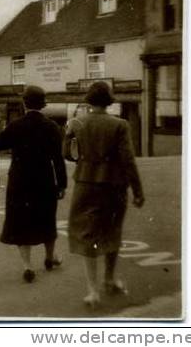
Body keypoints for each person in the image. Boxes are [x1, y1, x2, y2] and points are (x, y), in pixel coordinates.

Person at [64, 81, 145, 308]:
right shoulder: (120, 125)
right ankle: (109, 279)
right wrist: (137, 191)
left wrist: (70, 135)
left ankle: (92, 290)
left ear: (89, 100)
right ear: (109, 101)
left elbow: (67, 155)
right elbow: (128, 160)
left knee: (87, 234)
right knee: (112, 231)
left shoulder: (77, 123)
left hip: (85, 184)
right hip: (113, 185)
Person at [0, 85, 67, 284]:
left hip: (20, 181)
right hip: (44, 180)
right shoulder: (52, 127)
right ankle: (50, 258)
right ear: (43, 104)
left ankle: (27, 266)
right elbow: (58, 159)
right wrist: (62, 184)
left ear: (24, 103)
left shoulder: (15, 125)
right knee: (46, 219)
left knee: (21, 222)